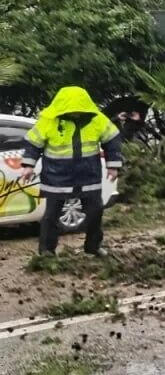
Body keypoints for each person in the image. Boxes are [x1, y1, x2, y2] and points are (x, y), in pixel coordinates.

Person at [19, 86, 123, 258]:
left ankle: (93, 246)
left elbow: (112, 140)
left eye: (79, 109)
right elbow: (33, 144)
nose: (75, 113)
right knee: (50, 216)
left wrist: (113, 165)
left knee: (95, 212)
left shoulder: (97, 120)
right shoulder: (49, 121)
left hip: (88, 175)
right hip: (57, 176)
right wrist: (28, 165)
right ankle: (47, 252)